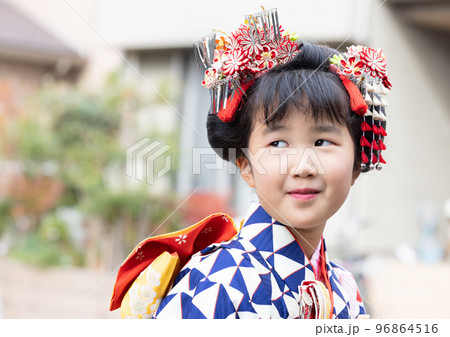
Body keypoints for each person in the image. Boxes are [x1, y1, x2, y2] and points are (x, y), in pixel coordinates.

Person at [110, 8, 391, 319]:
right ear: (245, 166)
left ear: (356, 165)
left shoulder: (344, 286)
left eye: (322, 142)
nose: (303, 166)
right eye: (278, 143)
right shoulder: (217, 282)